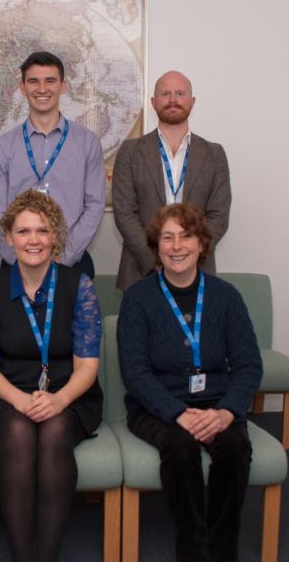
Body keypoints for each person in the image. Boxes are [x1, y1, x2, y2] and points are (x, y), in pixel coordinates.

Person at [117, 203, 262, 562]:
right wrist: (177, 413)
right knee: (181, 449)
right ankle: (192, 551)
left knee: (234, 448)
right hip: (157, 407)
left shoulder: (226, 297)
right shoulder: (137, 299)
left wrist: (227, 411)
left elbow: (248, 366)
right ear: (157, 246)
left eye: (186, 236)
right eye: (167, 238)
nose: (177, 246)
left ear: (202, 243)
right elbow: (135, 372)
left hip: (217, 404)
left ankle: (222, 550)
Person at [0, 189, 103, 562]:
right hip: (1, 394)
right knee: (18, 430)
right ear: (8, 237)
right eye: (23, 231)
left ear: (55, 236)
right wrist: (20, 400)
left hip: (69, 393)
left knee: (55, 429)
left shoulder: (79, 286)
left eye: (42, 230)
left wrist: (59, 400)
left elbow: (87, 365)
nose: (33, 240)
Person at [0, 51, 105, 279]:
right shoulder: (3, 146)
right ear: (22, 87)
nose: (42, 89)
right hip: (16, 264)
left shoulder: (87, 142)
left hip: (72, 264)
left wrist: (64, 256)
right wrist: (19, 257)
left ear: (63, 86)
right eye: (33, 81)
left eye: (50, 80)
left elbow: (94, 205)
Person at [112, 70, 231, 290]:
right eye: (165, 94)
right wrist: (156, 260)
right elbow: (124, 213)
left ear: (192, 102)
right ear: (153, 102)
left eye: (180, 93)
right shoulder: (130, 151)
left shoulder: (214, 154)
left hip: (198, 272)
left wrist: (190, 257)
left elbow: (219, 216)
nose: (173, 99)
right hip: (141, 272)